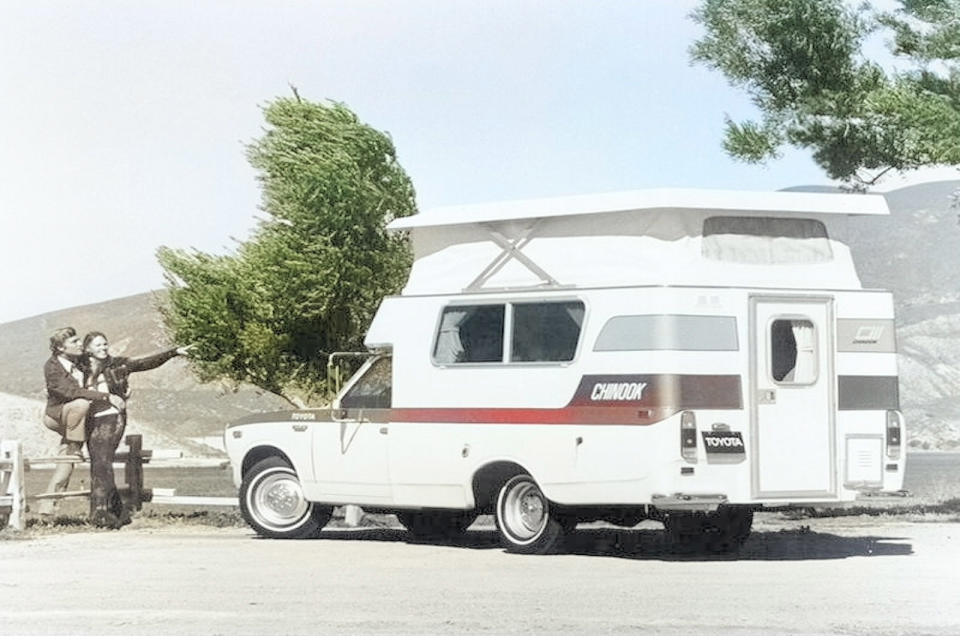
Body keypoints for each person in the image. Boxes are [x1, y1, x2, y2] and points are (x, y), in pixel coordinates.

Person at [80, 331, 190, 528]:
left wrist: (174, 352)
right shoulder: (81, 367)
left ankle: (101, 513)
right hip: (90, 420)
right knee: (99, 463)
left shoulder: (118, 364)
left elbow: (145, 363)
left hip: (112, 418)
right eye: (98, 345)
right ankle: (118, 513)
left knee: (102, 461)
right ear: (88, 348)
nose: (103, 348)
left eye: (105, 344)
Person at [39, 327, 123, 516]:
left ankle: (47, 506)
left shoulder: (79, 360)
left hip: (75, 421)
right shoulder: (52, 366)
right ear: (61, 348)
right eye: (74, 342)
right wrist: (106, 396)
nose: (80, 345)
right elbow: (71, 393)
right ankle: (75, 447)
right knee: (81, 403)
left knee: (66, 462)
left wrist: (122, 388)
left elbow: (103, 363)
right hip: (57, 415)